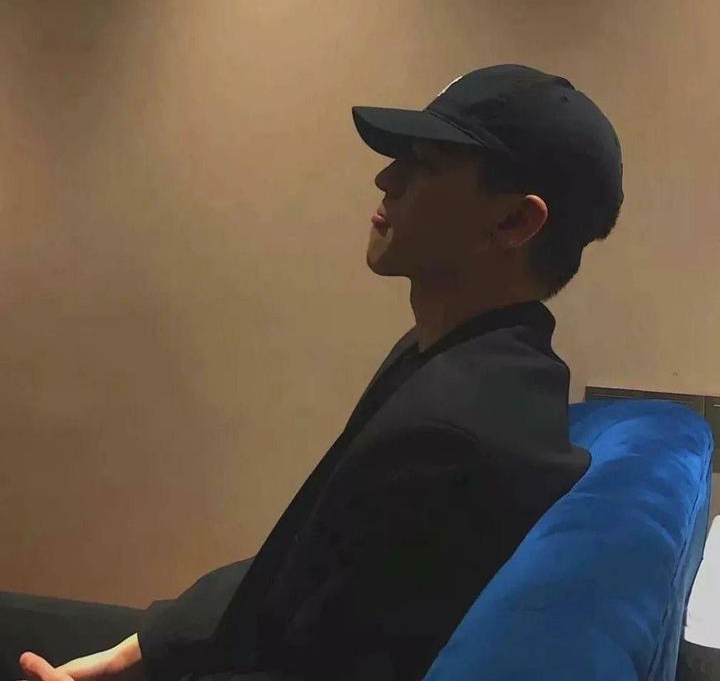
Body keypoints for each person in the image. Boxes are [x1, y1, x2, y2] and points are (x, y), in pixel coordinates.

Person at [3, 63, 624, 681]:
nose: (386, 178)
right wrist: (142, 648)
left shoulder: (456, 431)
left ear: (514, 222)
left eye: (425, 164)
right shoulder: (460, 358)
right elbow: (299, 557)